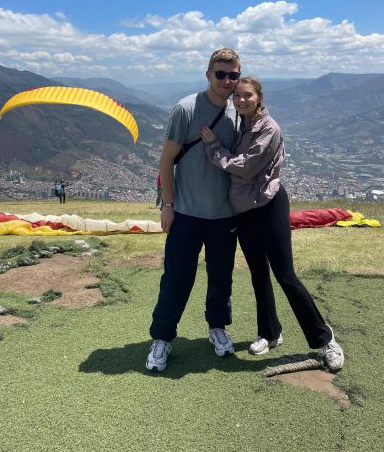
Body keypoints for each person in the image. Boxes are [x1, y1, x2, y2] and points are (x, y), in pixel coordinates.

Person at [201, 77, 344, 371]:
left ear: (259, 97)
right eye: (237, 96)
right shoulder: (242, 124)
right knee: (258, 273)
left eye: (247, 96)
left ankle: (325, 338)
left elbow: (245, 167)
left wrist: (215, 150)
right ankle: (269, 332)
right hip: (244, 209)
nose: (241, 100)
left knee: (285, 275)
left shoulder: (269, 128)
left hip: (269, 206)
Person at [146, 48, 241, 372]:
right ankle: (162, 338)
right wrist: (168, 206)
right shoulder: (186, 109)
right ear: (208, 75)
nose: (227, 81)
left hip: (224, 215)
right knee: (175, 279)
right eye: (221, 74)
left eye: (234, 75)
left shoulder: (237, 113)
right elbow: (167, 160)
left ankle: (217, 328)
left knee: (221, 279)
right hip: (186, 213)